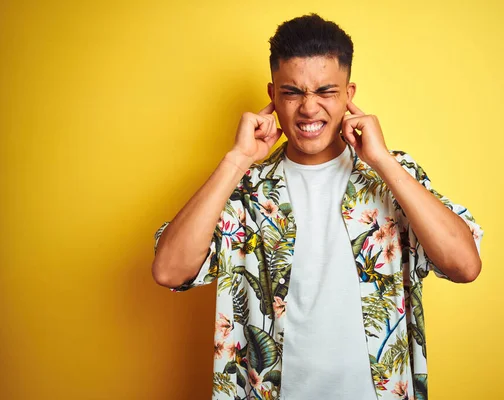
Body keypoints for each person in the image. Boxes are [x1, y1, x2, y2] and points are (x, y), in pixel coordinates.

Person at [152, 13, 483, 400]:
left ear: (349, 94)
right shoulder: (247, 188)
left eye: (326, 91)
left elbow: (465, 265)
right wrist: (236, 160)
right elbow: (169, 270)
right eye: (293, 92)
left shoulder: (393, 175)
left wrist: (384, 162)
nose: (309, 109)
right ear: (273, 95)